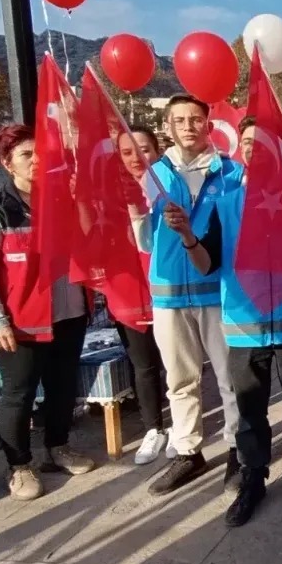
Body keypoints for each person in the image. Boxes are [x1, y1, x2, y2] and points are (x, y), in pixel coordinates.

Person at [169, 121, 282, 527]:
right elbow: (208, 263)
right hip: (245, 328)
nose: (253, 149)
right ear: (240, 150)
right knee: (249, 411)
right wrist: (189, 236)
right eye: (246, 142)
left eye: (261, 142)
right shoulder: (225, 205)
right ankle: (253, 478)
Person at [0, 124, 96, 501]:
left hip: (69, 310)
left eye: (42, 153)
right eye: (26, 155)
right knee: (18, 394)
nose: (37, 160)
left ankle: (58, 446)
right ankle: (19, 465)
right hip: (21, 320)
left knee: (62, 385)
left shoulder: (61, 200)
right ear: (8, 164)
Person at [138, 94, 245, 496]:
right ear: (168, 126)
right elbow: (144, 238)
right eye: (179, 120)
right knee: (180, 378)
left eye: (195, 119)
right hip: (168, 292)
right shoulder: (153, 175)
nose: (187, 126)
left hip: (217, 289)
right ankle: (187, 450)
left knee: (229, 376)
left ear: (208, 124)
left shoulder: (231, 173)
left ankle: (238, 447)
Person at [114, 125, 170, 465]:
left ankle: (182, 425)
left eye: (144, 149)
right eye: (127, 152)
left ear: (157, 150)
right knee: (144, 364)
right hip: (127, 290)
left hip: (168, 287)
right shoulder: (109, 194)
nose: (137, 158)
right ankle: (154, 427)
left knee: (178, 361)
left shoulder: (168, 187)